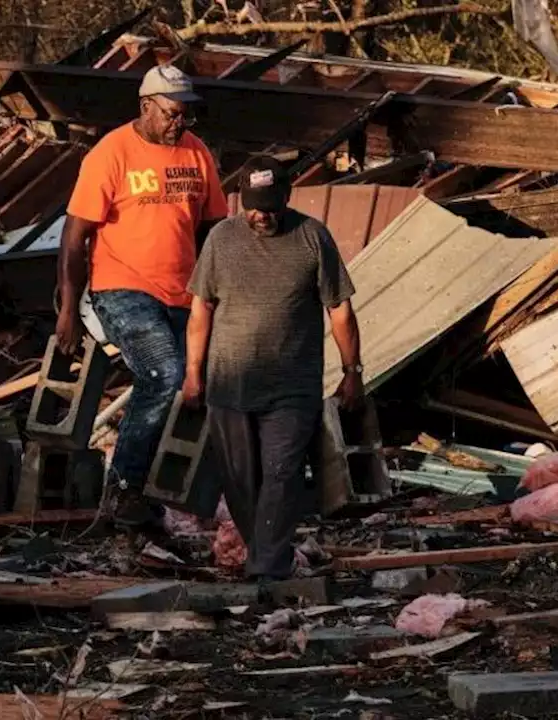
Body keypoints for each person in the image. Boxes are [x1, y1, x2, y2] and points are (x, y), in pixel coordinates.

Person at [55, 64, 229, 528]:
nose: (180, 123)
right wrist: (69, 309)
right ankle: (124, 491)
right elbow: (74, 237)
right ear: (146, 106)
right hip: (122, 287)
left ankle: (180, 491)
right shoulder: (111, 153)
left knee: (202, 384)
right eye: (173, 113)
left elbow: (214, 228)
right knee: (164, 375)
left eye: (187, 115)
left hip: (183, 292)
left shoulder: (196, 154)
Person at [182, 155, 363, 581]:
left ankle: (268, 569)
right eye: (254, 206)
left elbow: (339, 308)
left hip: (292, 387)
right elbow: (200, 308)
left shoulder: (312, 237)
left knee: (282, 474)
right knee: (240, 481)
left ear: (287, 197)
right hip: (229, 384)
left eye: (271, 206)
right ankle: (265, 556)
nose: (262, 216)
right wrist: (193, 372)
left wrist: (352, 371)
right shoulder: (221, 240)